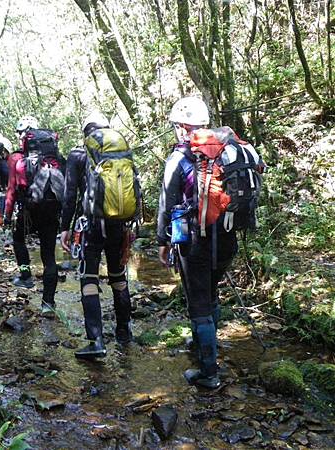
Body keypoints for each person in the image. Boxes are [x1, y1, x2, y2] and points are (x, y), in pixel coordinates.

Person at [157, 97, 263, 388]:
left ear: (182, 127)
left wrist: (162, 241)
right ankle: (205, 342)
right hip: (227, 238)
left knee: (199, 303)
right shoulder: (229, 151)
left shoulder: (179, 159)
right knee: (211, 293)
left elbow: (167, 204)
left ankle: (208, 372)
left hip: (196, 242)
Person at [61, 112, 139, 359]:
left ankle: (96, 341)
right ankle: (124, 331)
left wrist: (65, 227)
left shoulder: (78, 154)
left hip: (90, 226)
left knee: (88, 278)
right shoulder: (122, 152)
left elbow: (70, 194)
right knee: (118, 276)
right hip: (119, 224)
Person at [4, 115, 64, 316]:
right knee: (48, 255)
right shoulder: (55, 160)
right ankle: (48, 303)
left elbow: (11, 190)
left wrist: (7, 216)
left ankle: (26, 276)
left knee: (18, 239)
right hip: (52, 210)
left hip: (29, 211)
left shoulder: (17, 160)